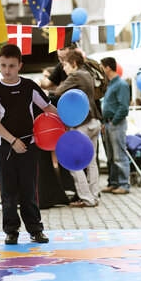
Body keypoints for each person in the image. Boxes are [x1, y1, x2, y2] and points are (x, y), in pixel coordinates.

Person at [0, 44, 58, 245]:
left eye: (11, 66)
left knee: (29, 190)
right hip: (5, 147)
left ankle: (35, 230)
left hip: (29, 146)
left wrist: (65, 121)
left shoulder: (29, 86)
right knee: (8, 192)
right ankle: (11, 231)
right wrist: (13, 141)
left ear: (20, 65)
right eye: (3, 65)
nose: (6, 70)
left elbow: (47, 107)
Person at [56, 50, 102, 207]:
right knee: (92, 162)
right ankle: (95, 195)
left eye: (65, 65)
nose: (63, 69)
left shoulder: (75, 75)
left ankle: (87, 198)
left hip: (82, 124)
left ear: (74, 64)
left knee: (74, 163)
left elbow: (58, 91)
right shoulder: (87, 74)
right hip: (94, 121)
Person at [100, 57, 130, 195]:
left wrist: (113, 121)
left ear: (107, 68)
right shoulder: (111, 84)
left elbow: (124, 107)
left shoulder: (121, 85)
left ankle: (124, 184)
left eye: (101, 66)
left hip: (115, 123)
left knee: (119, 155)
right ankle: (114, 183)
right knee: (111, 156)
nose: (101, 68)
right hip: (109, 123)